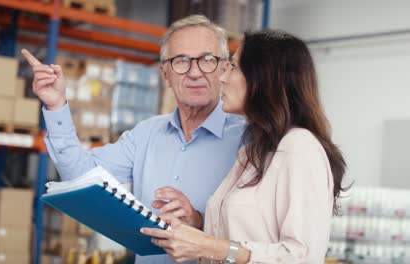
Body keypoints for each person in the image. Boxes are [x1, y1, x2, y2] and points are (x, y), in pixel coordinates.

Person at [21, 15, 245, 264]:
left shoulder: (251, 140)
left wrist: (200, 221)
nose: (194, 72)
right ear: (164, 73)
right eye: (181, 61)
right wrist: (56, 106)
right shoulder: (146, 134)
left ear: (225, 69)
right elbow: (79, 176)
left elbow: (262, 239)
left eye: (207, 60)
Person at [141, 30, 348, 263]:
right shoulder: (252, 150)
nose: (221, 77)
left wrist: (210, 246)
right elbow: (245, 233)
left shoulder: (298, 147)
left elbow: (302, 257)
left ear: (264, 78)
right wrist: (196, 221)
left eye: (233, 67)